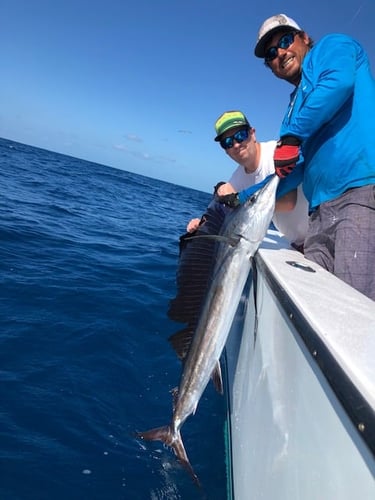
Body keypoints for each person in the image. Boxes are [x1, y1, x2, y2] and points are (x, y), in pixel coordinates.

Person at [248, 13, 375, 301]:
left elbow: (338, 83)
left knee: (353, 305)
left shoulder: (332, 47)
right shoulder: (294, 110)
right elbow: (294, 168)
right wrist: (244, 199)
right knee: (314, 301)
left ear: (304, 37)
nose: (280, 52)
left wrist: (292, 136)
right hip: (319, 213)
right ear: (271, 68)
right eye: (271, 53)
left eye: (284, 40)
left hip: (361, 193)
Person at [187, 110, 309, 250]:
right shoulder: (237, 178)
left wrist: (243, 204)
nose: (236, 145)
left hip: (320, 236)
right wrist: (204, 224)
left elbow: (288, 203)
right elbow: (227, 211)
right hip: (295, 244)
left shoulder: (277, 154)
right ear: (225, 150)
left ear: (252, 133)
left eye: (240, 135)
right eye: (227, 142)